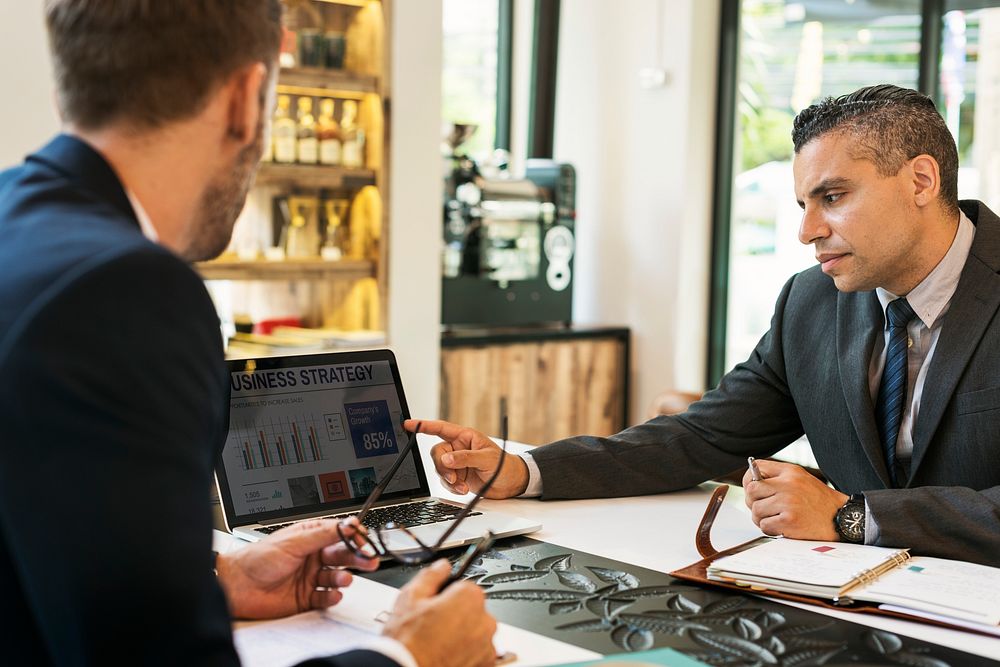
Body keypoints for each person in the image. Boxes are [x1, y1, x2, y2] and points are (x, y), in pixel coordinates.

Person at [0, 2, 496, 666]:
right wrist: (409, 656)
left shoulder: (16, 223)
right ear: (247, 95)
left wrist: (215, 579)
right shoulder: (127, 290)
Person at [411, 84, 1000, 568]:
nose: (808, 231)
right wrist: (523, 471)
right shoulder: (811, 301)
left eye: (834, 196)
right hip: (845, 599)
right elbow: (699, 437)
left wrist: (852, 515)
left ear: (922, 181)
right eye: (803, 205)